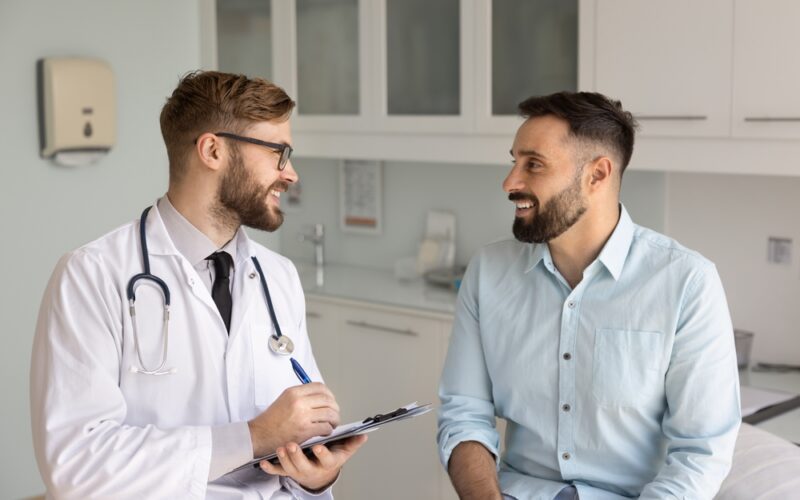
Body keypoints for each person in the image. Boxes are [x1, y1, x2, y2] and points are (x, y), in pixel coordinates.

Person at [30, 71, 366, 499]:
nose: (291, 174)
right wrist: (253, 436)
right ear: (213, 150)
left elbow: (303, 434)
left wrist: (317, 475)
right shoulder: (92, 276)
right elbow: (77, 465)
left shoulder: (277, 276)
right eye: (279, 154)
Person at [437, 91, 741, 500]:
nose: (510, 182)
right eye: (514, 161)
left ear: (597, 174)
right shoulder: (488, 272)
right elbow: (463, 414)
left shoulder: (687, 283)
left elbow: (701, 453)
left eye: (534, 164)